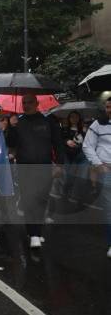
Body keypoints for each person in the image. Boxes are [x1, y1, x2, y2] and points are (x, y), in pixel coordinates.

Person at [6, 94, 64, 249]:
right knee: (28, 200)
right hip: (25, 167)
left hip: (45, 167)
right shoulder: (18, 122)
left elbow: (58, 144)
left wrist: (59, 164)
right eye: (24, 102)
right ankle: (34, 234)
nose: (26, 104)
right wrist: (11, 127)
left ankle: (36, 230)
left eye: (30, 102)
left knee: (41, 200)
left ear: (37, 103)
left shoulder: (48, 122)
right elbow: (10, 143)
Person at [83, 97, 111, 258]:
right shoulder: (98, 125)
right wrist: (98, 164)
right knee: (109, 210)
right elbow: (87, 145)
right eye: (107, 107)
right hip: (106, 171)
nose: (109, 109)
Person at [61, 111, 87, 202]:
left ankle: (80, 198)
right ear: (69, 118)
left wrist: (85, 132)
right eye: (72, 117)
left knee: (82, 178)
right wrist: (67, 141)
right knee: (69, 177)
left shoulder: (83, 129)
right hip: (68, 156)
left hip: (81, 156)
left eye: (76, 117)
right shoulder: (65, 129)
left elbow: (87, 143)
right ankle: (65, 193)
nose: (74, 119)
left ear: (79, 118)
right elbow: (60, 140)